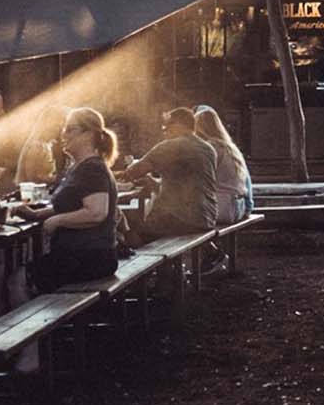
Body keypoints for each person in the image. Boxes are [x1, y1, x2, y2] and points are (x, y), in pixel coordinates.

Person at [17, 108, 120, 291]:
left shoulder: (92, 169)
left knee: (18, 280)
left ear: (88, 134)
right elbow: (72, 205)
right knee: (25, 274)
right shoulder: (80, 167)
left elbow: (97, 213)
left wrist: (58, 220)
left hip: (90, 257)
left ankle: (35, 320)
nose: (63, 134)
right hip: (82, 255)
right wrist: (37, 213)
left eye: (70, 129)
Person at [119, 107, 218, 239]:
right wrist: (152, 181)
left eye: (166, 127)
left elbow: (133, 173)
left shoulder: (170, 146)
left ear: (178, 125)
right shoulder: (208, 148)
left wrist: (113, 174)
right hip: (207, 217)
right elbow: (188, 184)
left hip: (180, 219)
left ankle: (143, 258)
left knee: (128, 225)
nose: (164, 131)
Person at [193, 105, 252, 222]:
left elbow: (198, 180)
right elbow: (247, 181)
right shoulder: (231, 148)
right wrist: (248, 207)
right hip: (238, 207)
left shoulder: (210, 148)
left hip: (222, 209)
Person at [12, 105, 67, 189]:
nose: (60, 130)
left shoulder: (49, 146)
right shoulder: (35, 147)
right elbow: (32, 178)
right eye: (57, 126)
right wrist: (56, 179)